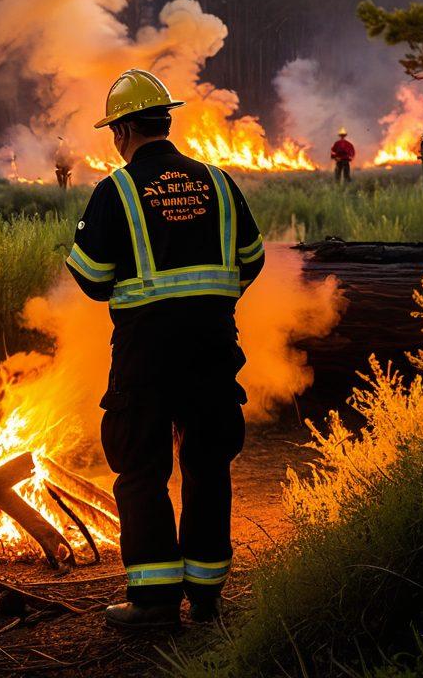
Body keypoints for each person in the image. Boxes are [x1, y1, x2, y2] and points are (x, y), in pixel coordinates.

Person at [65, 69, 265, 629]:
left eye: (115, 131)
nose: (115, 141)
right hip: (212, 347)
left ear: (125, 129)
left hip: (145, 356)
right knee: (207, 465)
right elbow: (251, 260)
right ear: (167, 122)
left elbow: (91, 276)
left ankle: (153, 600)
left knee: (140, 469)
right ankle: (205, 597)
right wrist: (207, 301)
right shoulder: (221, 183)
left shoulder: (117, 190)